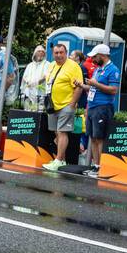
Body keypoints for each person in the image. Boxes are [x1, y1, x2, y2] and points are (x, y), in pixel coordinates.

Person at [41, 42, 85, 171]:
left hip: (66, 104)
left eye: (61, 52)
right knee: (56, 132)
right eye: (56, 53)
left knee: (62, 132)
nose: (59, 55)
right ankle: (62, 160)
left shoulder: (73, 66)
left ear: (66, 53)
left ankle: (59, 160)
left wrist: (72, 104)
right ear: (53, 54)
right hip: (52, 105)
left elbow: (78, 87)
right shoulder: (51, 65)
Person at [84, 43, 120, 173]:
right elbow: (93, 87)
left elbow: (113, 90)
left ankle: (102, 167)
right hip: (92, 106)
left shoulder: (113, 69)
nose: (92, 59)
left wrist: (96, 84)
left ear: (102, 56)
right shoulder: (98, 69)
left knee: (100, 138)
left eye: (95, 57)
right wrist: (82, 85)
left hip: (103, 107)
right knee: (93, 137)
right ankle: (96, 165)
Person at [20, 45, 49, 112]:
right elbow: (25, 77)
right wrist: (28, 82)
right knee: (28, 112)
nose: (41, 53)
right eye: (39, 51)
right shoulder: (30, 65)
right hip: (29, 94)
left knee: (39, 112)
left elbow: (45, 76)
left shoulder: (47, 64)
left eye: (42, 52)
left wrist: (36, 83)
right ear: (35, 53)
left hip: (41, 94)